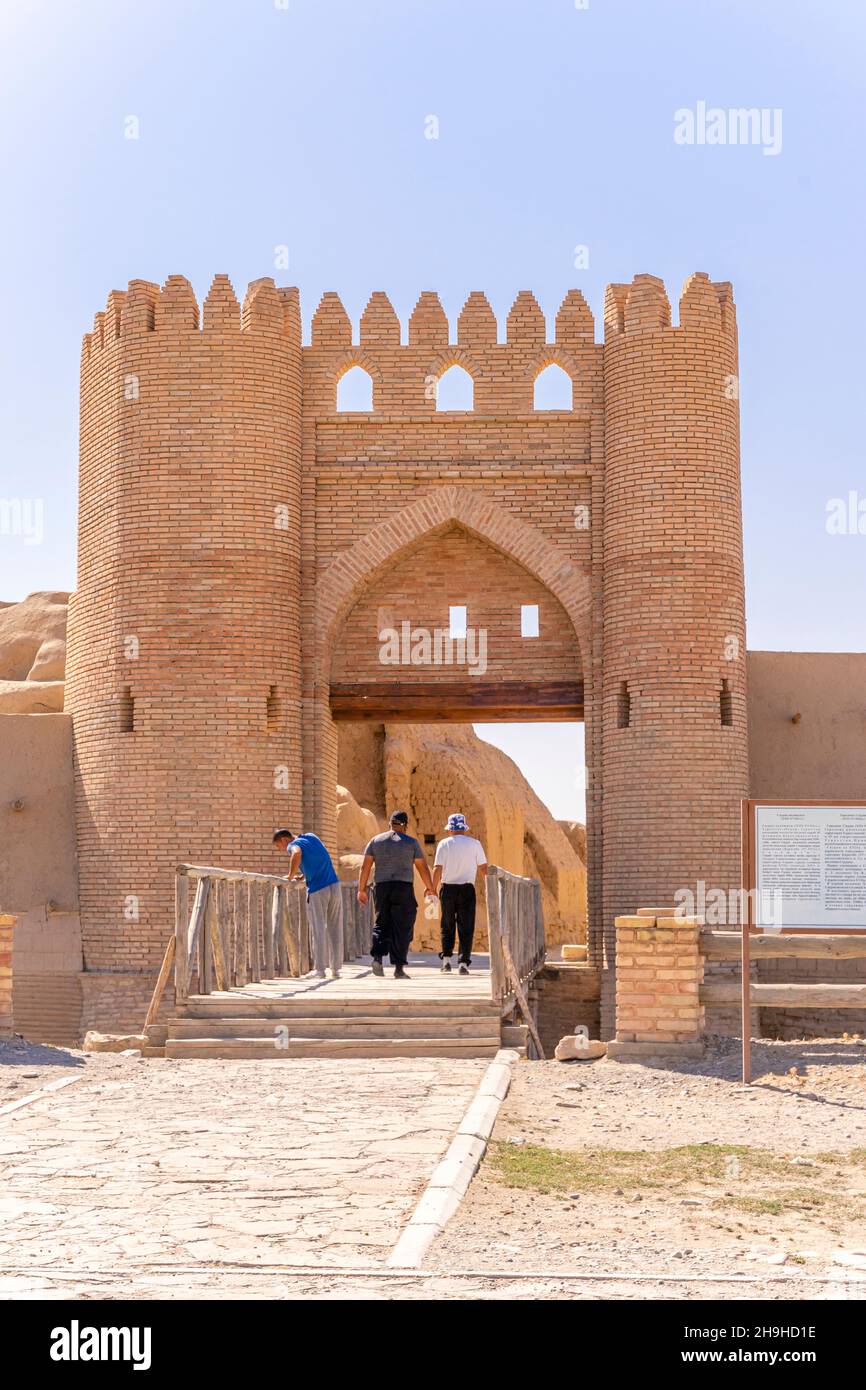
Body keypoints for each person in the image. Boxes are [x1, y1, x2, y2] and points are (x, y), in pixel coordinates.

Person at [357, 811, 437, 979]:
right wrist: (430, 888)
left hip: (381, 887)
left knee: (381, 923)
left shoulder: (376, 841)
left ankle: (378, 958)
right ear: (405, 826)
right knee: (402, 926)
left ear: (390, 824)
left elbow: (365, 867)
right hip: (403, 888)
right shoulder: (411, 843)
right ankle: (399, 968)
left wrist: (361, 889)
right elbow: (422, 868)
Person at [272, 829, 343, 980]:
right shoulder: (312, 836)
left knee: (318, 929)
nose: (282, 849)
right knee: (335, 927)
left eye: (279, 846)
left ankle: (320, 970)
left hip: (318, 889)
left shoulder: (293, 845)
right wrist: (304, 874)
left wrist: (290, 876)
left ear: (284, 840)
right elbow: (320, 857)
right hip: (334, 885)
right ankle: (336, 970)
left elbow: (296, 853)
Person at [432, 813, 487, 975]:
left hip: (448, 889)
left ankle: (446, 961)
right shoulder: (475, 844)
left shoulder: (444, 844)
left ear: (450, 830)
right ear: (464, 828)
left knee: (447, 924)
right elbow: (484, 869)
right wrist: (488, 887)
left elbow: (438, 868)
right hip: (467, 890)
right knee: (466, 926)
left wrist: (432, 888)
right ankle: (463, 964)